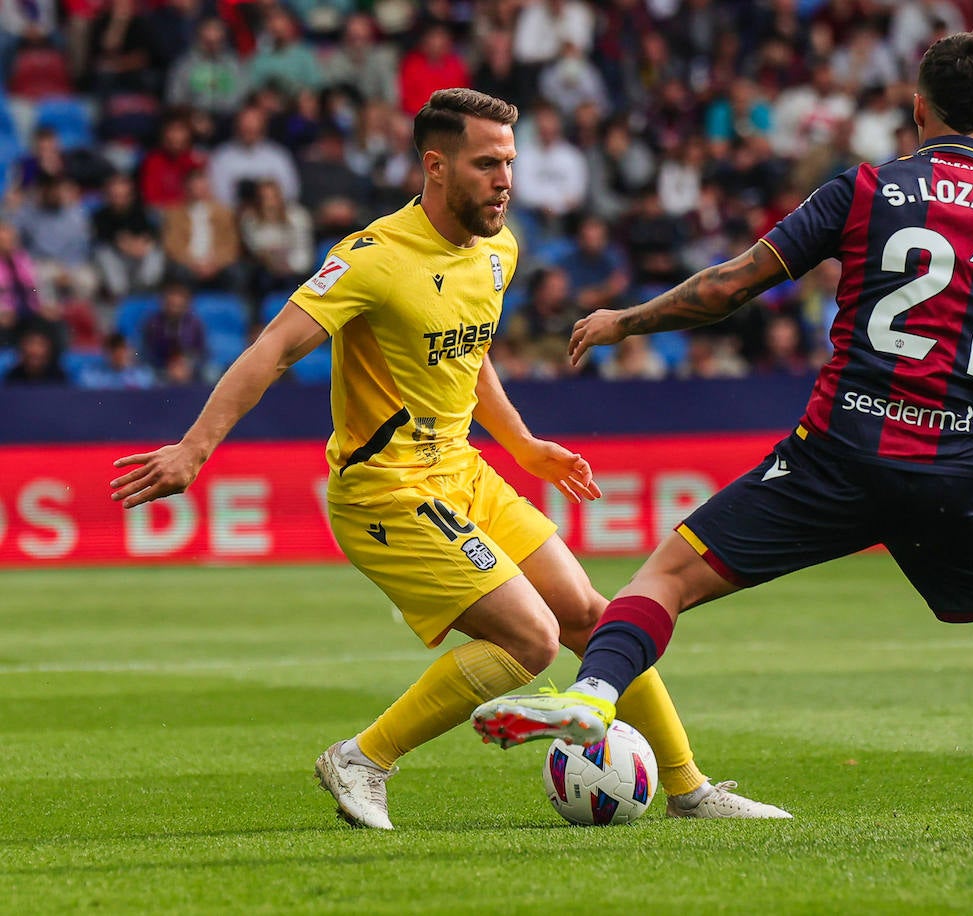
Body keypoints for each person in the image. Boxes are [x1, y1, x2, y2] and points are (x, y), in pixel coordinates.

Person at [472, 32, 973, 839]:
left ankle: (594, 696)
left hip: (838, 453)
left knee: (667, 575)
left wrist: (629, 319)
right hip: (957, 474)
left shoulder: (866, 190)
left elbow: (733, 286)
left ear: (916, 110)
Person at [107, 88, 789, 829]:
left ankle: (688, 791)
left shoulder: (499, 249)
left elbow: (471, 352)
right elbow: (273, 349)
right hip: (385, 491)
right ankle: (362, 758)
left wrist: (524, 444)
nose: (505, 179)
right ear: (436, 167)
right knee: (529, 639)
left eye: (511, 163)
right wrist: (195, 448)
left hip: (461, 471)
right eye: (487, 164)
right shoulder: (372, 258)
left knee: (598, 618)